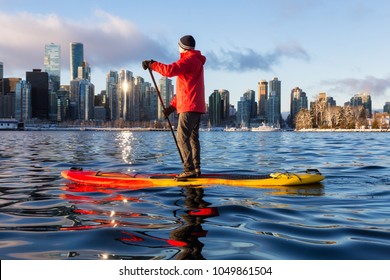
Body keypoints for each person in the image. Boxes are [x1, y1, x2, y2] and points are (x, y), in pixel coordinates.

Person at [142, 35, 206, 179]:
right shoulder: (195, 61)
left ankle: (189, 169)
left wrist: (152, 64)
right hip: (196, 106)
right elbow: (187, 88)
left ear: (182, 47)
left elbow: (169, 71)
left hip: (189, 107)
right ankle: (196, 169)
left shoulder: (188, 60)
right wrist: (172, 107)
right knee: (192, 139)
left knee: (182, 138)